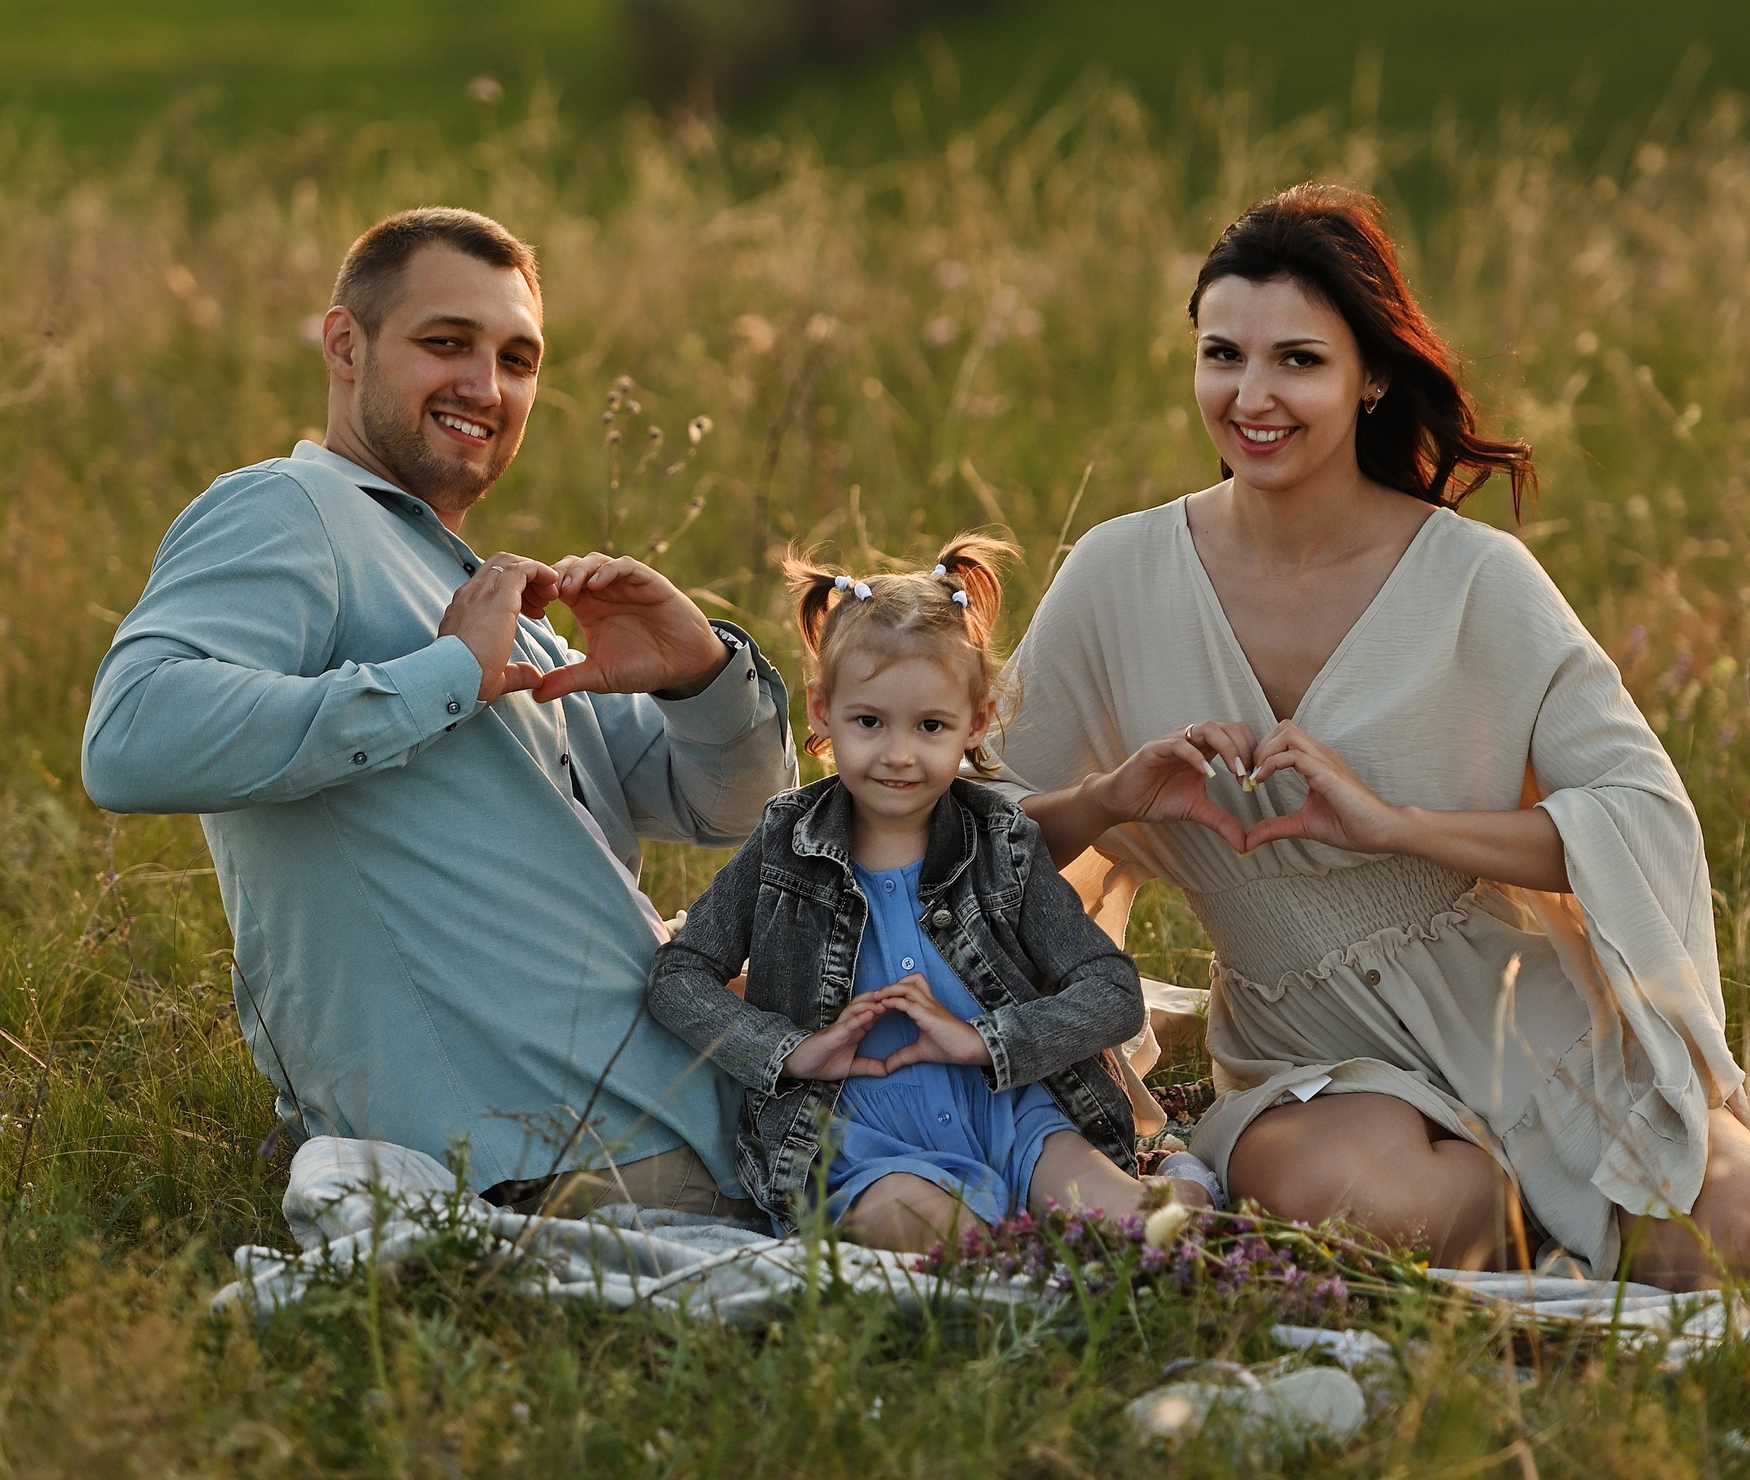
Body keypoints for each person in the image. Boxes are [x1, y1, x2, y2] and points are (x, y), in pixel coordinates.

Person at [985, 183, 1750, 1288]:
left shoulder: (1474, 580)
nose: (1252, 395)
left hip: (1514, 1003)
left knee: (1739, 1248)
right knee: (1375, 1211)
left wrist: (1398, 826)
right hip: (1305, 1048)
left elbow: (1637, 814)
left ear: (1372, 377)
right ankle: (1579, 1210)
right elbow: (969, 833)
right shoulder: (1116, 576)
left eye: (1299, 361)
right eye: (1222, 354)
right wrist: (1112, 799)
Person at [82, 207, 794, 1217]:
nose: (485, 387)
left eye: (517, 358)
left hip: (700, 1109)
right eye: (446, 344)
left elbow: (728, 807)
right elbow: (131, 738)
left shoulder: (497, 604)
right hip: (548, 1147)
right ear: (345, 345)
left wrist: (702, 674)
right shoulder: (288, 509)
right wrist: (448, 671)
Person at [647, 537, 1214, 1248]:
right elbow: (679, 972)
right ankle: (1017, 1250)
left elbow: (1111, 990)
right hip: (859, 1133)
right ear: (822, 712)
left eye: (931, 726)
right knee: (945, 1241)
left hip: (1011, 1109)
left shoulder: (1001, 839)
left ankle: (1181, 1183)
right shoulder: (786, 840)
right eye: (869, 721)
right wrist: (792, 1051)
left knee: (1143, 1231)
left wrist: (984, 1038)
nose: (898, 754)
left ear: (975, 723)